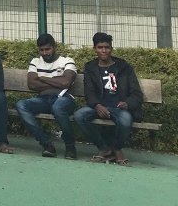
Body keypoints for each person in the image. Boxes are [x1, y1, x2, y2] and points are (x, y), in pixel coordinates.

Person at [73, 32, 143, 165]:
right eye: (100, 47)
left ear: (111, 48)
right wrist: (97, 105)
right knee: (79, 115)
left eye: (107, 47)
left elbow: (136, 93)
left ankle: (117, 149)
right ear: (95, 49)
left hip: (119, 107)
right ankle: (104, 148)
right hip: (99, 106)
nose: (103, 50)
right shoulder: (90, 67)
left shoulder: (124, 67)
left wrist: (127, 104)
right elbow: (89, 91)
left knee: (126, 119)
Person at [15, 33, 78, 159]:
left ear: (54, 47)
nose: (44, 53)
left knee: (58, 107)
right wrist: (57, 82)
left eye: (47, 49)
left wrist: (42, 78)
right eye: (41, 50)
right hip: (43, 100)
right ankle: (46, 144)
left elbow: (66, 83)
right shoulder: (35, 62)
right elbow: (32, 85)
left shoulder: (67, 61)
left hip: (63, 99)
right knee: (21, 105)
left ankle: (70, 147)